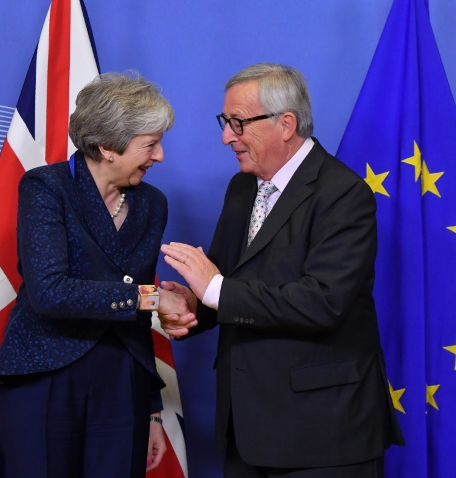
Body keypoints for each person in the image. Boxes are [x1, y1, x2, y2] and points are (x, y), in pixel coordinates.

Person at [159, 63, 404, 477]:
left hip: (322, 435)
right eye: (225, 122)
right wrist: (193, 307)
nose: (226, 137)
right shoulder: (242, 188)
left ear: (286, 124)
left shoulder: (343, 194)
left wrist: (214, 290)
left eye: (238, 123)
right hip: (244, 429)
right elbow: (228, 287)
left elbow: (323, 302)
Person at [0, 72, 194, 478]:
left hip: (122, 381)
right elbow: (50, 292)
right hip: (45, 373)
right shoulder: (46, 187)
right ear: (107, 147)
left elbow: (135, 319)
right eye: (150, 145)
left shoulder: (152, 204)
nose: (159, 156)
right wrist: (151, 298)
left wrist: (152, 409)